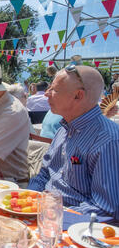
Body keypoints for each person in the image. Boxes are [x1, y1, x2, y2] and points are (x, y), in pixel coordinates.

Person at [28, 65, 119, 225]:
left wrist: (51, 215)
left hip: (73, 226)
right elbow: (44, 173)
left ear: (78, 96)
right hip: (45, 211)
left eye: (54, 90)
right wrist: (28, 198)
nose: (46, 94)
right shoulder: (65, 128)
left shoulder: (107, 140)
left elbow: (106, 210)